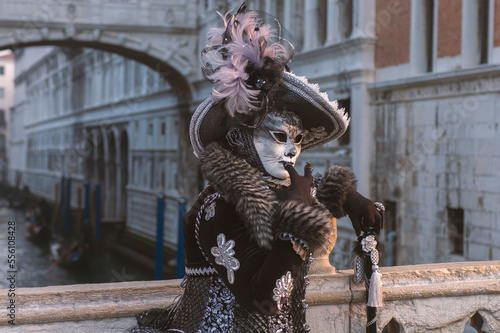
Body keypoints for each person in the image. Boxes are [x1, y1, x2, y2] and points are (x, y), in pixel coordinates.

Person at [131, 3, 382, 332]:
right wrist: (295, 222)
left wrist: (346, 195)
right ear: (239, 137)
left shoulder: (274, 188)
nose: (293, 150)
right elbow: (257, 297)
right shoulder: (217, 207)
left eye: (299, 139)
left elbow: (297, 191)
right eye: (279, 137)